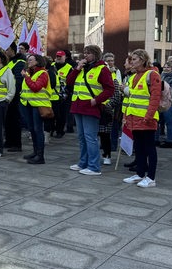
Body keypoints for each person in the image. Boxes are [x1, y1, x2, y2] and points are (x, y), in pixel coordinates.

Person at [66, 44, 114, 176]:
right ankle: (83, 162)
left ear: (96, 54)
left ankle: (94, 166)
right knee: (81, 137)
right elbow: (69, 82)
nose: (85, 55)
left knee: (90, 137)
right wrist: (77, 69)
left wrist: (96, 100)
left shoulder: (102, 69)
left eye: (88, 53)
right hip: (78, 105)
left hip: (90, 107)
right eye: (84, 53)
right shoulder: (82, 68)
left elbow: (110, 89)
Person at [122, 49, 162, 187]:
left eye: (134, 59)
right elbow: (131, 98)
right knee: (139, 147)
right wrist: (126, 116)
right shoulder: (134, 76)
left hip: (146, 118)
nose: (131, 62)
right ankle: (139, 174)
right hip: (134, 117)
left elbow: (155, 98)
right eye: (131, 59)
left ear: (143, 59)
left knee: (149, 148)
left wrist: (149, 116)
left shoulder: (152, 75)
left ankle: (151, 177)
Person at [19, 54, 52, 164]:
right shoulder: (30, 72)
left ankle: (40, 156)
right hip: (28, 104)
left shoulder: (43, 73)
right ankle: (35, 152)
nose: (28, 61)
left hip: (38, 105)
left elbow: (36, 87)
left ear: (37, 61)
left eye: (31, 60)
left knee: (38, 130)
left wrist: (26, 78)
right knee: (32, 129)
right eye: (28, 60)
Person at [3, 42, 27, 152]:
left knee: (14, 120)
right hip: (7, 95)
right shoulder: (10, 62)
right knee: (8, 120)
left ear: (12, 50)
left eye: (7, 50)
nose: (5, 52)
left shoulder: (20, 62)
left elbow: (18, 80)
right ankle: (9, 141)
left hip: (14, 97)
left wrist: (13, 95)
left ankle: (16, 144)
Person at [157, 57, 172, 148]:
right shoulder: (161, 76)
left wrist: (164, 90)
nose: (166, 69)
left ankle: (170, 140)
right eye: (164, 67)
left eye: (168, 67)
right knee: (158, 121)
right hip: (161, 103)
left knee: (170, 122)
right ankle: (157, 139)